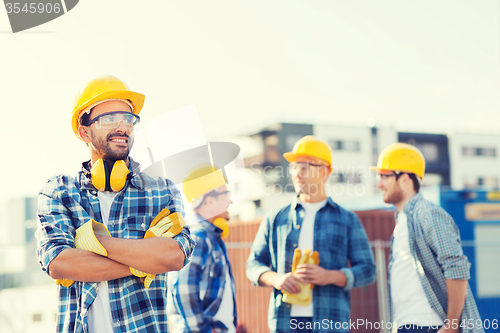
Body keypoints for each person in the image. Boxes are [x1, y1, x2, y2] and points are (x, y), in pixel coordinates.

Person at [35, 74, 195, 333]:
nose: (123, 126)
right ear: (83, 131)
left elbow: (174, 256)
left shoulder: (162, 191)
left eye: (129, 119)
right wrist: (145, 260)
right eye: (109, 119)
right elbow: (59, 263)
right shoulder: (58, 191)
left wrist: (92, 243)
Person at [246, 135, 376, 333]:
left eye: (305, 167)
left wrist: (330, 276)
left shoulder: (347, 220)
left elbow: (368, 270)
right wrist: (277, 279)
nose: (297, 173)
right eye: (294, 167)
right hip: (285, 323)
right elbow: (253, 264)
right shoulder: (275, 218)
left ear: (324, 172)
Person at [372, 143, 483, 333]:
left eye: (385, 176)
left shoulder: (427, 213)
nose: (379, 184)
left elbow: (456, 266)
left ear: (405, 178)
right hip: (405, 325)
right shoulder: (402, 221)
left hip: (428, 326)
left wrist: (451, 326)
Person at [167, 165, 237, 333]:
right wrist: (201, 329)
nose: (230, 201)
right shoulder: (198, 238)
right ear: (210, 200)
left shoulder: (210, 236)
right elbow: (183, 289)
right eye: (226, 194)